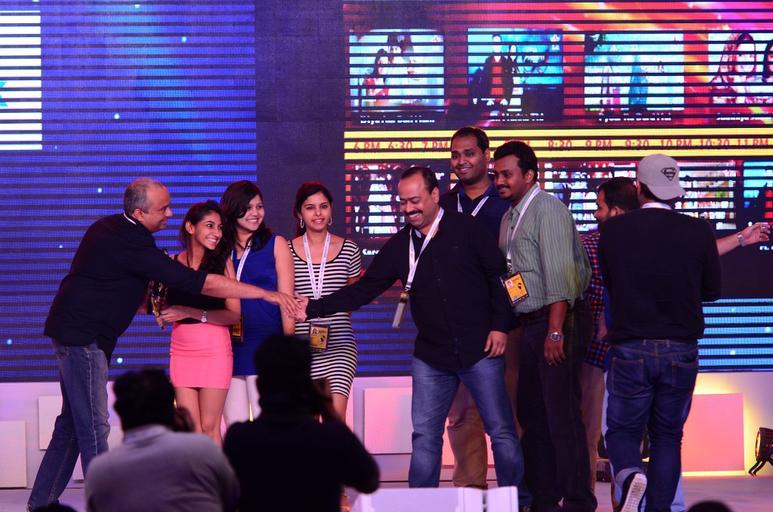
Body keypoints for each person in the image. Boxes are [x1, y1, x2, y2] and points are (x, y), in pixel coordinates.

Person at [29, 178, 294, 511]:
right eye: (163, 209)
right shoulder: (133, 245)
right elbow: (200, 283)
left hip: (80, 335)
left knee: (71, 423)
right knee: (94, 425)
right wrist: (267, 294)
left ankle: (41, 503)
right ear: (140, 213)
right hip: (83, 339)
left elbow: (129, 292)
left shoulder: (112, 229)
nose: (169, 214)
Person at [296, 166, 530, 507]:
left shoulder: (468, 229)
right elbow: (364, 289)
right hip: (431, 356)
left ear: (435, 195)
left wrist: (500, 326)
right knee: (424, 437)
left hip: (480, 348)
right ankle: (420, 504)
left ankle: (518, 502)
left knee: (502, 432)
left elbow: (500, 278)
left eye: (415, 200)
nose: (408, 209)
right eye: (403, 202)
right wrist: (314, 307)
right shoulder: (400, 244)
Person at [599, 154, 722, 512]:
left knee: (622, 432)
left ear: (639, 188)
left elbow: (610, 285)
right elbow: (712, 291)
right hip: (681, 348)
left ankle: (629, 475)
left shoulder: (614, 231)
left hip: (630, 347)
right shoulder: (699, 230)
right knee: (668, 437)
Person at [493, 140, 596, 512]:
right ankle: (544, 498)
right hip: (531, 323)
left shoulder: (548, 209)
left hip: (558, 320)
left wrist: (555, 331)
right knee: (532, 414)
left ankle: (579, 500)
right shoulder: (510, 215)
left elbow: (560, 276)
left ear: (529, 175)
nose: (499, 181)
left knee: (561, 415)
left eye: (507, 174)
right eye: (496, 175)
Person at [223, 335, 379, 512]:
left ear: (259, 385)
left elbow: (226, 499)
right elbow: (369, 481)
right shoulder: (331, 437)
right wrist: (329, 412)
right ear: (308, 384)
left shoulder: (239, 438)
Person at [438, 126, 512, 489]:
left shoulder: (506, 203)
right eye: (455, 155)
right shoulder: (442, 205)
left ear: (486, 156)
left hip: (504, 323)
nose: (461, 161)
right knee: (462, 415)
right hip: (455, 327)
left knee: (508, 416)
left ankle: (517, 495)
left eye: (468, 153)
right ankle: (470, 494)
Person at [85, 369, 239, 512]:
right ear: (171, 410)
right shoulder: (204, 450)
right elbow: (231, 498)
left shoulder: (100, 469)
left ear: (122, 415)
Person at [159, 201, 240, 445]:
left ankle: (215, 471)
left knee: (209, 427)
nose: (217, 233)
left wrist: (189, 311)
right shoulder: (171, 263)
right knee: (190, 429)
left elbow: (234, 315)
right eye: (210, 226)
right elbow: (157, 305)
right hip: (181, 350)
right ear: (190, 227)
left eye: (220, 227)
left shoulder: (223, 264)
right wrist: (159, 310)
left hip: (214, 350)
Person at [220, 180, 295, 425]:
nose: (255, 213)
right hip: (228, 345)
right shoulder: (220, 249)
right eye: (248, 207)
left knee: (271, 425)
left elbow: (287, 300)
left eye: (259, 206)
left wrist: (287, 347)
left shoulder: (276, 244)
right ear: (233, 209)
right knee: (235, 425)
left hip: (267, 346)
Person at [290, 182, 362, 420]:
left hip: (340, 345)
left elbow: (352, 299)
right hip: (302, 349)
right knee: (307, 426)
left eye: (323, 206)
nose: (318, 213)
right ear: (299, 213)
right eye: (310, 207)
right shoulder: (286, 250)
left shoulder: (349, 249)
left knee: (334, 421)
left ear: (331, 209)